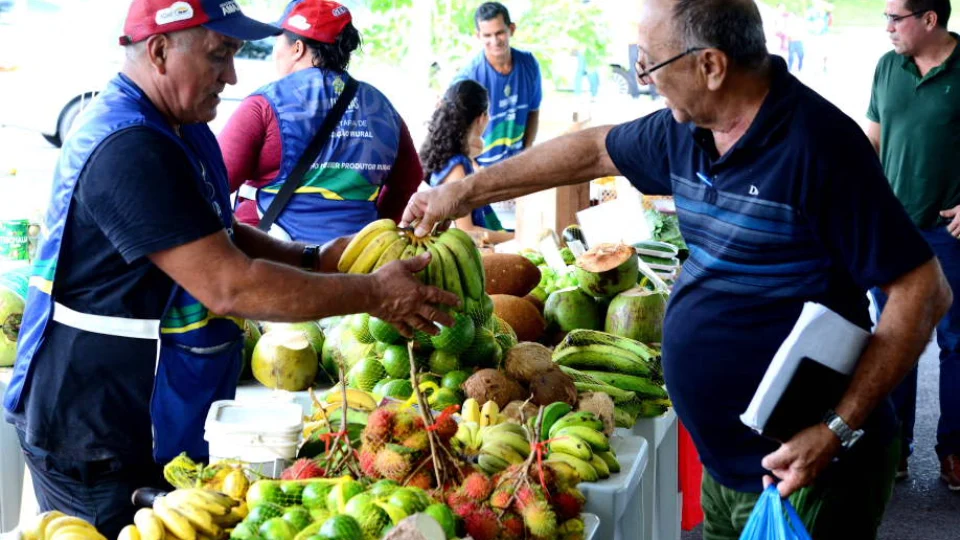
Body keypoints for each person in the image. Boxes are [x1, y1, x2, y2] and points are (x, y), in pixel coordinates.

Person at [402, 0, 952, 537]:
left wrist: (836, 428)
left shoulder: (819, 146)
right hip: (729, 465)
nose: (644, 77)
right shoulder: (683, 130)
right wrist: (461, 192)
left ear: (710, 65)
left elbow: (923, 292)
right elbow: (593, 151)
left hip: (809, 471)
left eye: (651, 62)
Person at [2, 1, 458, 537]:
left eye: (237, 55)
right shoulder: (128, 147)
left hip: (147, 414)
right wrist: (373, 293)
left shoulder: (178, 126)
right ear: (159, 50)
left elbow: (219, 230)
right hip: (93, 428)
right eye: (220, 56)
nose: (233, 76)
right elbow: (228, 283)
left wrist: (314, 257)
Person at [218, 0, 422, 245]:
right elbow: (410, 177)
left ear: (297, 48)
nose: (275, 51)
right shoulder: (383, 108)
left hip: (276, 263)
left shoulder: (265, 104)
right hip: (357, 261)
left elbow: (212, 181)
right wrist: (372, 229)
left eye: (277, 41)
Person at [866, 0, 960, 490]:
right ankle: (893, 448)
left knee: (957, 343)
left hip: (949, 232)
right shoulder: (888, 67)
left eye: (895, 18)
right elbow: (873, 141)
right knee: (892, 340)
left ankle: (955, 452)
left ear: (929, 19)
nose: (887, 28)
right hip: (893, 229)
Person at [454, 2, 542, 228]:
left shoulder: (529, 64)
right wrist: (475, 169)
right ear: (478, 36)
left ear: (511, 29)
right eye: (488, 35)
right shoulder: (470, 75)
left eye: (500, 32)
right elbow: (452, 129)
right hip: (482, 173)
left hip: (517, 171)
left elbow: (533, 110)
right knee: (493, 238)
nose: (495, 41)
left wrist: (527, 152)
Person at [419, 80, 513, 245]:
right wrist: (517, 237)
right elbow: (466, 232)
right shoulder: (457, 168)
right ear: (482, 118)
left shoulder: (447, 153)